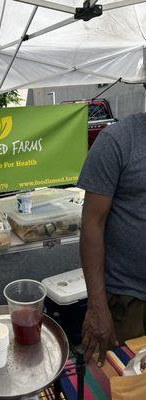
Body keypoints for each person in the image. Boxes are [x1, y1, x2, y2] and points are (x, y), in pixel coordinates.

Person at [77, 113, 146, 367]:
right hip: (128, 302)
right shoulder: (117, 140)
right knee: (123, 381)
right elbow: (92, 225)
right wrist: (97, 306)